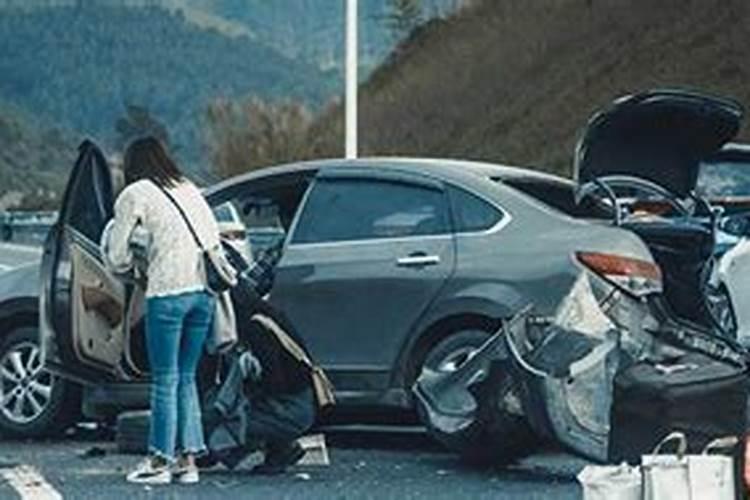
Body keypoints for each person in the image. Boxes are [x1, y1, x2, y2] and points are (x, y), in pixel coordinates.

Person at [102, 136, 220, 485]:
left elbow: (117, 255)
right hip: (205, 294)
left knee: (164, 379)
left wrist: (135, 267)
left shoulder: (135, 193)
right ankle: (188, 462)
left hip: (168, 293)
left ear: (132, 166)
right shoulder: (188, 187)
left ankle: (158, 461)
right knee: (186, 377)